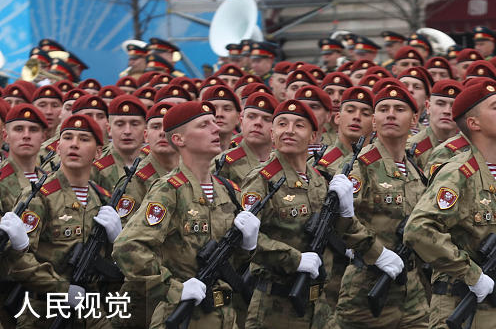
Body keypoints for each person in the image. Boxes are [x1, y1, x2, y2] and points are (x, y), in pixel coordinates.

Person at [404, 80, 496, 329]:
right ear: (474, 123)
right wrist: (471, 274)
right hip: (463, 307)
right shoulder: (458, 173)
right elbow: (418, 230)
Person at [113, 102, 262, 329]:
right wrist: (174, 289)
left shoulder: (227, 190)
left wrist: (248, 245)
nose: (215, 129)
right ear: (179, 139)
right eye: (204, 125)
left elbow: (233, 262)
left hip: (225, 317)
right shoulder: (169, 190)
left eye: (214, 123)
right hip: (183, 317)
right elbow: (127, 248)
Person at [240, 99, 353, 328]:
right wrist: (295, 259)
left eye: (299, 125)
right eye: (282, 124)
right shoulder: (262, 180)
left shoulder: (320, 180)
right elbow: (245, 239)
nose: (289, 131)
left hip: (320, 306)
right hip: (275, 307)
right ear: (272, 134)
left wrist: (346, 213)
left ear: (313, 136)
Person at [9, 115, 123, 329]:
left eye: (84, 139)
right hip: (44, 314)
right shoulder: (39, 197)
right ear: (58, 147)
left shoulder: (102, 199)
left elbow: (116, 269)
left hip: (91, 313)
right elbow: (17, 260)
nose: (74, 144)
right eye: (68, 137)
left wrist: (119, 243)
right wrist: (62, 289)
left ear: (98, 152)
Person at [334, 84, 429, 328]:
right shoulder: (361, 166)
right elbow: (339, 219)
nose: (391, 115)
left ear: (414, 119)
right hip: (367, 287)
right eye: (384, 109)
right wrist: (376, 251)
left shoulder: (415, 169)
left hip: (411, 289)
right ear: (374, 121)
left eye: (399, 109)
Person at [215, 92, 278, 185]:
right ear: (241, 122)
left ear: (276, 128)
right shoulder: (224, 162)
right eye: (251, 117)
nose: (258, 123)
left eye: (267, 119)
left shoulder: (283, 164)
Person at [407, 80, 463, 168]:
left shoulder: (469, 149)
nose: (447, 111)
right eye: (440, 104)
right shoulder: (411, 148)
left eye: (453, 106)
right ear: (428, 107)